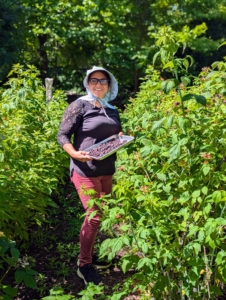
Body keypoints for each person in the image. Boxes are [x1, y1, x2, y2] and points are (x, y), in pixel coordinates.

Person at [57, 66, 122, 285]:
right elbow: (62, 135)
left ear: (109, 85)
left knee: (102, 216)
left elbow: (112, 134)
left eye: (103, 81)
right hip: (84, 170)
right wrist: (74, 153)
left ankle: (91, 254)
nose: (98, 84)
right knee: (93, 216)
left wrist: (120, 137)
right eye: (93, 80)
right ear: (87, 83)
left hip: (106, 170)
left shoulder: (111, 109)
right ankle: (84, 265)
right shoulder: (79, 105)